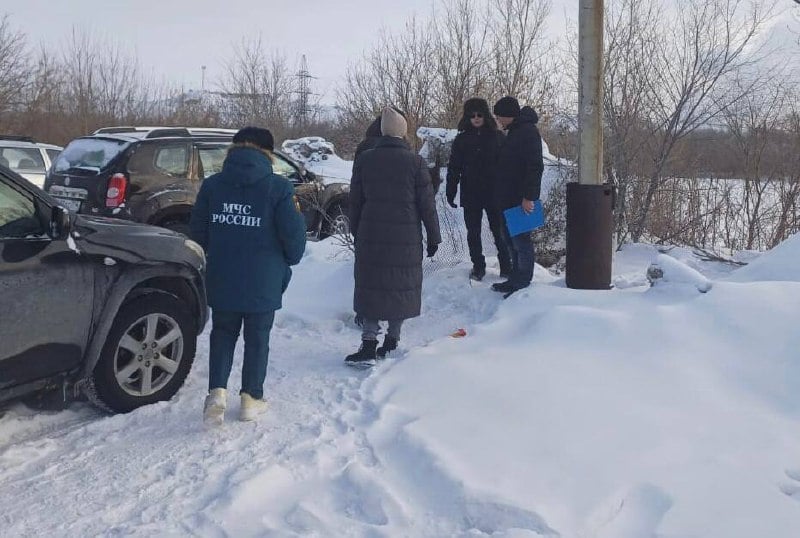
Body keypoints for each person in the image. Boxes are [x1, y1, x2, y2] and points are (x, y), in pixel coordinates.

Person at [190, 126, 307, 424]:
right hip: (263, 279)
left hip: (222, 275)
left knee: (223, 333)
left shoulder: (212, 185)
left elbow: (197, 235)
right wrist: (289, 260)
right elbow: (293, 238)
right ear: (268, 153)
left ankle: (216, 393)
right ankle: (251, 399)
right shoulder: (279, 188)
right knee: (257, 338)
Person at [346, 106, 442, 367]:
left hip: (371, 233)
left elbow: (355, 201)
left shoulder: (366, 159)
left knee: (371, 287)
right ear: (403, 132)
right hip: (406, 235)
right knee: (399, 286)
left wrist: (356, 230)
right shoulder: (415, 162)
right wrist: (434, 237)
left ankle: (368, 344)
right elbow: (427, 204)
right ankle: (392, 340)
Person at [446, 98, 512, 281]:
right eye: (471, 115)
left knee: (499, 230)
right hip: (471, 192)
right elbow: (454, 167)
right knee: (473, 232)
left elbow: (507, 165)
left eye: (479, 114)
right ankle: (478, 266)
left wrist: (508, 189)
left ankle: (506, 265)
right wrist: (450, 191)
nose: (475, 118)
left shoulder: (498, 137)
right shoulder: (461, 140)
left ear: (486, 115)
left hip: (494, 193)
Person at [491, 96, 544, 296]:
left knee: (521, 240)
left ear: (507, 115)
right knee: (510, 239)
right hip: (507, 196)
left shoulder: (528, 133)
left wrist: (529, 196)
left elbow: (535, 167)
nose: (497, 120)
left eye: (499, 116)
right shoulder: (515, 132)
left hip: (519, 198)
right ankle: (514, 277)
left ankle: (523, 280)